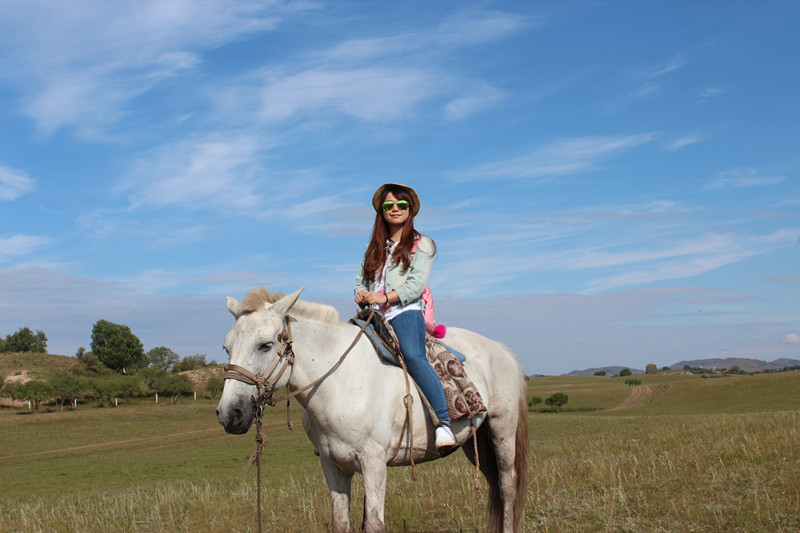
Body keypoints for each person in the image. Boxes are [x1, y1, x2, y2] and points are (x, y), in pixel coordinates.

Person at [354, 183, 457, 454]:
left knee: (413, 355)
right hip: (371, 315)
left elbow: (414, 285)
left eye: (401, 205)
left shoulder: (422, 244)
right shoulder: (372, 247)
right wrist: (361, 293)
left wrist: (383, 298)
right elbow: (359, 281)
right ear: (381, 211)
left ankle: (443, 422)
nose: (395, 209)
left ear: (410, 210)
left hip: (404, 311)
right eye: (388, 205)